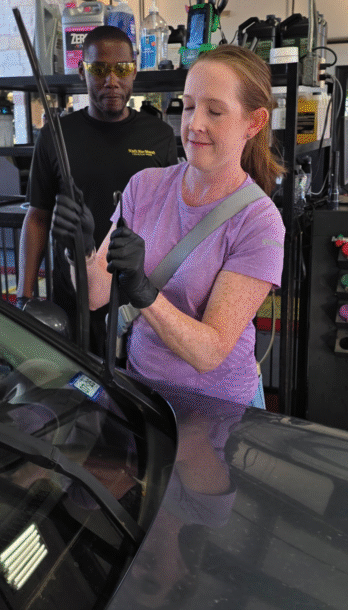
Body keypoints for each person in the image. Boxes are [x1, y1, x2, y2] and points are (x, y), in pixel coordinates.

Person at [53, 44, 285, 407]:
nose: (195, 124)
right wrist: (79, 251)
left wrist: (142, 290)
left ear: (253, 123)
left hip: (215, 408)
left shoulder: (259, 221)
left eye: (215, 111)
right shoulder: (145, 186)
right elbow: (95, 295)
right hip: (143, 392)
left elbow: (209, 352)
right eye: (189, 106)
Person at [18, 25, 178, 352]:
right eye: (99, 69)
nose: (111, 80)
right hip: (71, 299)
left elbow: (171, 220)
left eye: (122, 68)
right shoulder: (56, 135)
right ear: (82, 72)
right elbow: (37, 217)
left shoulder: (159, 135)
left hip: (137, 300)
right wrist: (25, 297)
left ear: (134, 69)